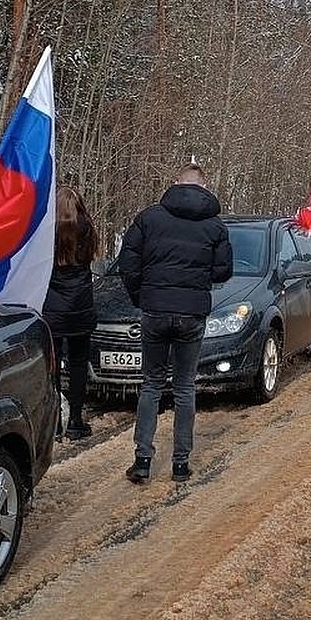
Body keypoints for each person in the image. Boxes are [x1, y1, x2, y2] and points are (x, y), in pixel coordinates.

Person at [119, 163, 233, 485]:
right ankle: (180, 464)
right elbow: (223, 271)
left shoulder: (148, 218)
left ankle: (142, 460)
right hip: (192, 313)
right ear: (203, 185)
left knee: (152, 384)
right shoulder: (215, 226)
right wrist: (196, 276)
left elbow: (129, 262)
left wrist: (142, 296)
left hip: (155, 309)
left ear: (176, 182)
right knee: (185, 387)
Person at [43, 186, 99, 442]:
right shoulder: (87, 231)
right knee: (78, 366)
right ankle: (76, 420)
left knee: (51, 367)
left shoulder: (46, 234)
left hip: (52, 308)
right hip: (80, 308)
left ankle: (54, 421)